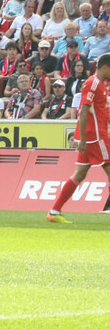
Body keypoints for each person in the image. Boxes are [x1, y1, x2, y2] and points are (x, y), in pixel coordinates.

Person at [47, 53, 110, 222]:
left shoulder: (101, 85)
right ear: (106, 67)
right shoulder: (93, 83)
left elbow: (100, 112)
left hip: (93, 135)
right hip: (95, 136)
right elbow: (83, 112)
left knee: (80, 174)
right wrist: (82, 139)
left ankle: (54, 211)